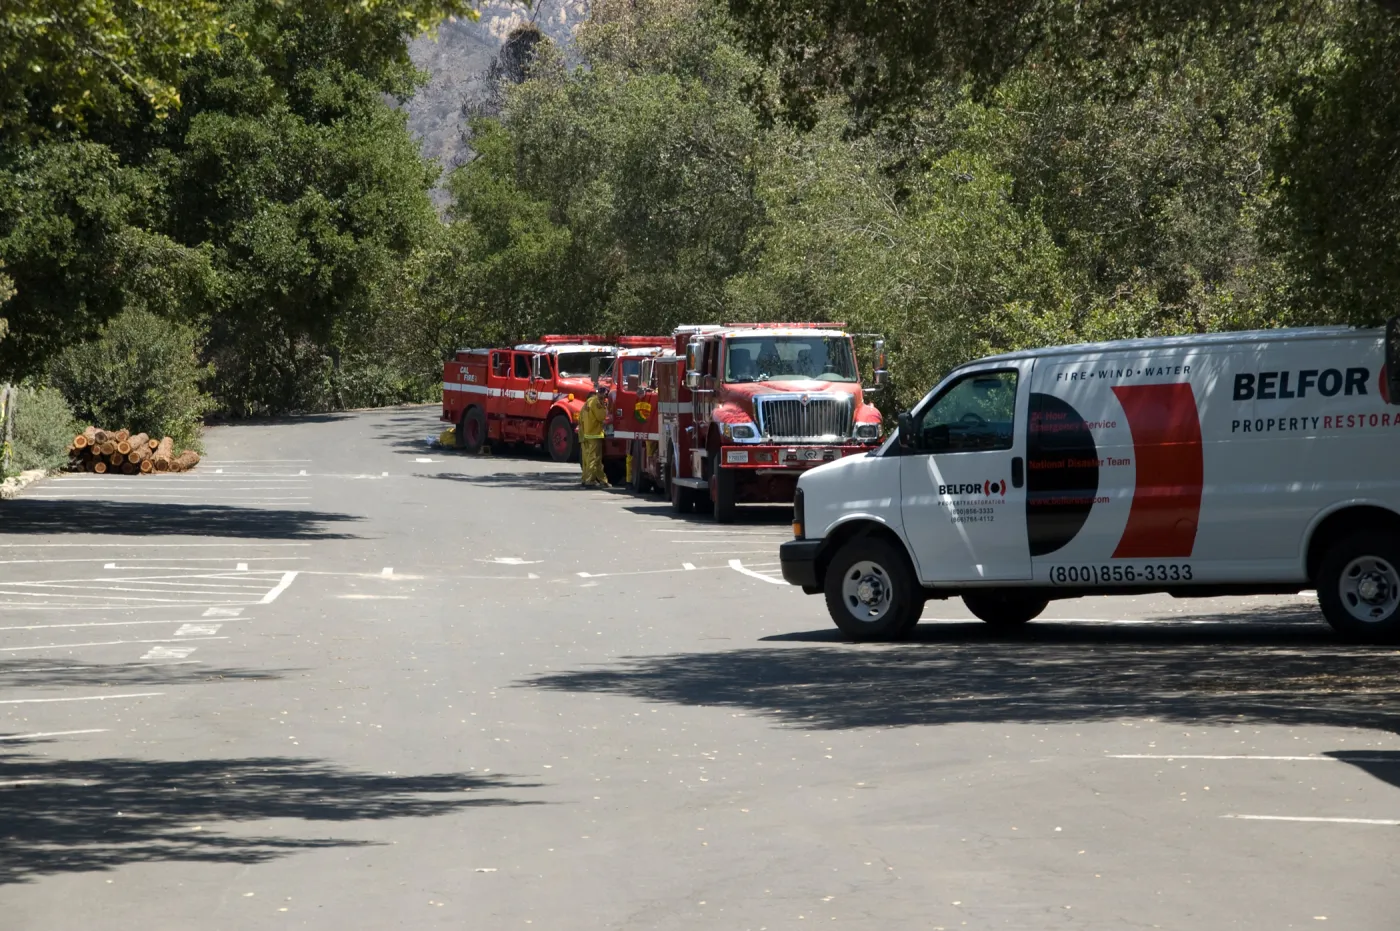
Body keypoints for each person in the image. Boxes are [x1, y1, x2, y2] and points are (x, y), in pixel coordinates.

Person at [579, 385, 609, 487]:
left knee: (588, 458)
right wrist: (605, 407)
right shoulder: (597, 403)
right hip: (594, 433)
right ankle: (590, 480)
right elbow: (601, 417)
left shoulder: (589, 401)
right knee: (594, 458)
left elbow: (581, 416)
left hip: (587, 433)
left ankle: (600, 480)